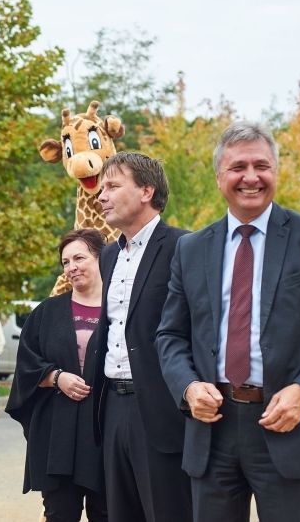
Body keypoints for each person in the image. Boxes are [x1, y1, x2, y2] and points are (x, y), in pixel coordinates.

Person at [156, 121, 300, 522]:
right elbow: (170, 335)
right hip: (213, 430)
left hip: (290, 425)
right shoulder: (190, 249)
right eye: (239, 166)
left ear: (276, 171)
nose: (251, 177)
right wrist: (187, 387)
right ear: (220, 176)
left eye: (262, 165)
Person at [91, 152, 192, 522]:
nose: (101, 196)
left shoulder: (185, 247)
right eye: (102, 188)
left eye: (113, 186)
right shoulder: (107, 255)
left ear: (146, 190)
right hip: (111, 408)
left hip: (163, 413)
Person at [6, 228, 109, 522]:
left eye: (79, 257)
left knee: (110, 513)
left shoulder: (121, 310)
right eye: (65, 262)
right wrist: (56, 377)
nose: (71, 267)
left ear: (101, 258)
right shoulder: (47, 313)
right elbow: (26, 366)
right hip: (58, 436)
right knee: (59, 513)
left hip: (106, 432)